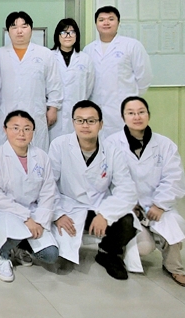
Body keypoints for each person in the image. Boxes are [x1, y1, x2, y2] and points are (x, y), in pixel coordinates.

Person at [49, 100, 139, 280]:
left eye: (91, 121)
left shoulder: (113, 151)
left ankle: (108, 253)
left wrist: (105, 215)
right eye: (80, 120)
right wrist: (57, 214)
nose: (85, 125)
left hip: (98, 206)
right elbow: (48, 185)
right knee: (53, 251)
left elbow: (127, 190)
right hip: (68, 206)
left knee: (127, 222)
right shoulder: (59, 145)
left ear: (101, 124)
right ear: (73, 123)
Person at [106, 96, 185, 287]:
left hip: (158, 204)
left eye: (141, 112)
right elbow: (107, 179)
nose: (137, 117)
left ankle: (174, 267)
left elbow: (174, 178)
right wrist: (127, 202)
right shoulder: (112, 143)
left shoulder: (165, 145)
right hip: (128, 207)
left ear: (148, 115)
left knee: (172, 228)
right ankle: (125, 248)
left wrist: (160, 205)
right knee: (144, 248)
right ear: (123, 117)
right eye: (131, 113)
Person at [0, 110, 59, 283]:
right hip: (3, 209)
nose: (21, 133)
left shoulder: (41, 157)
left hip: (33, 210)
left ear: (33, 131)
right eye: (15, 128)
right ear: (5, 129)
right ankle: (3, 255)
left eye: (27, 129)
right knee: (13, 227)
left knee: (50, 255)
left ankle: (20, 246)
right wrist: (26, 218)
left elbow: (48, 192)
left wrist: (40, 220)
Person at [0, 11, 63, 151]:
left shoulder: (45, 54)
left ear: (31, 29)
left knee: (37, 154)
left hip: (35, 112)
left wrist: (53, 108)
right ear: (8, 31)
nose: (19, 31)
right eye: (14, 27)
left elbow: (54, 83)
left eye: (24, 26)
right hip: (6, 112)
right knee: (6, 155)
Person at [84, 6, 152, 138]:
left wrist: (130, 98)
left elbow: (144, 77)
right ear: (96, 24)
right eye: (101, 20)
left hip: (122, 108)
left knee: (124, 144)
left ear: (118, 22)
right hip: (97, 108)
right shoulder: (89, 49)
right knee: (98, 145)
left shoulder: (132, 46)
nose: (106, 23)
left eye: (111, 19)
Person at [48, 19, 94, 141]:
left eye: (72, 32)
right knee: (54, 146)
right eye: (64, 32)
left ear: (77, 36)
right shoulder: (49, 56)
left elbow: (89, 87)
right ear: (57, 35)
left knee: (76, 146)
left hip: (78, 112)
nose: (68, 36)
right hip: (54, 113)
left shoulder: (85, 59)